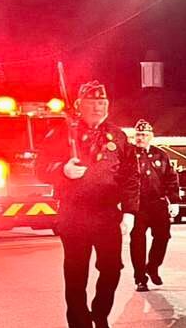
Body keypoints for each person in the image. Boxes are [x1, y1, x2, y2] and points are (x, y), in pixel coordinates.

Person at [38, 81, 140, 328]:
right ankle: (78, 321)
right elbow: (40, 168)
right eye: (92, 103)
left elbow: (130, 176)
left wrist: (129, 211)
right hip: (74, 214)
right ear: (78, 106)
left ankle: (100, 313)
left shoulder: (117, 136)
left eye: (102, 102)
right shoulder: (62, 133)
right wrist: (63, 170)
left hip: (106, 213)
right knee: (76, 272)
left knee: (112, 268)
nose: (98, 107)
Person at [129, 119, 179, 292]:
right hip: (137, 205)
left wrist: (174, 201)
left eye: (144, 135)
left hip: (157, 203)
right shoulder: (128, 154)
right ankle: (140, 278)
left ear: (151, 136)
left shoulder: (160, 155)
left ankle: (153, 266)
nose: (140, 138)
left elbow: (170, 178)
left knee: (163, 237)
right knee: (137, 241)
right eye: (138, 134)